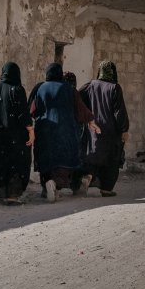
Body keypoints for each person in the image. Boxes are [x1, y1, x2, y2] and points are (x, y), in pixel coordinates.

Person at [29, 63, 99, 202]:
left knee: (46, 160)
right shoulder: (69, 89)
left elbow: (31, 110)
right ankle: (55, 184)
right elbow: (81, 109)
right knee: (64, 163)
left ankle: (47, 185)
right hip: (65, 133)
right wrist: (91, 121)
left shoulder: (40, 87)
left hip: (44, 131)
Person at [0, 62, 33, 204]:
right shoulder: (17, 89)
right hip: (13, 138)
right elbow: (23, 114)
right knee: (16, 163)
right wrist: (31, 130)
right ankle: (12, 195)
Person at [77, 60, 130, 197]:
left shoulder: (90, 85)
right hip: (111, 131)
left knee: (93, 155)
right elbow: (119, 111)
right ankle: (106, 189)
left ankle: (88, 176)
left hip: (93, 130)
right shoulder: (115, 88)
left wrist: (86, 117)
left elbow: (77, 99)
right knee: (112, 159)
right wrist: (124, 129)